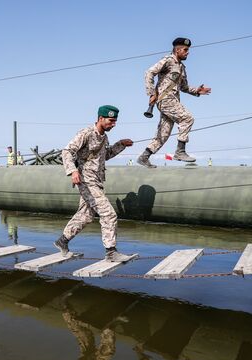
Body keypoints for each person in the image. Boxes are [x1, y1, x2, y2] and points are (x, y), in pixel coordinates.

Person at [54, 105, 133, 262]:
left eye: (115, 121)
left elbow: (105, 155)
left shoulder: (104, 137)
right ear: (100, 119)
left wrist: (121, 144)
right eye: (111, 120)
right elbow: (67, 151)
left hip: (96, 180)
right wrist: (73, 171)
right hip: (86, 180)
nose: (114, 124)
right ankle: (111, 252)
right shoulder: (86, 133)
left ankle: (62, 241)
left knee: (86, 215)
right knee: (108, 214)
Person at [137, 37, 211, 168]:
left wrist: (198, 91)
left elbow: (184, 87)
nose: (188, 52)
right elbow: (149, 72)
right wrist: (151, 93)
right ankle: (180, 152)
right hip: (166, 100)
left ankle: (144, 156)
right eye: (185, 50)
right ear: (177, 50)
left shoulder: (181, 67)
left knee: (163, 134)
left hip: (172, 101)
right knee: (187, 118)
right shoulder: (168, 60)